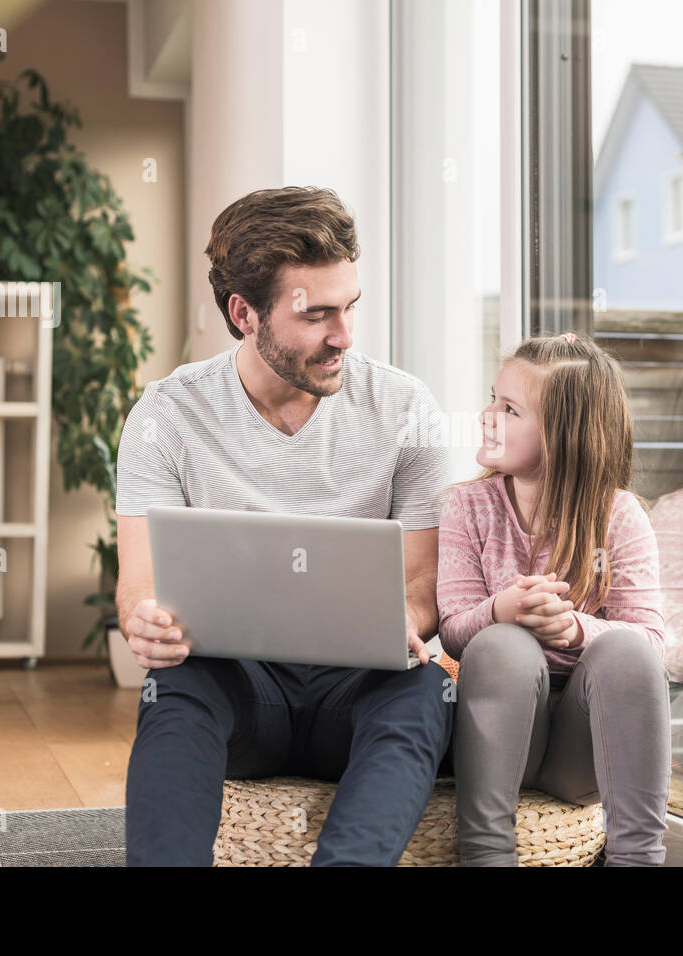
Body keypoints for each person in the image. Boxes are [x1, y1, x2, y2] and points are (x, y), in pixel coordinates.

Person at [115, 186, 454, 866]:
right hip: (238, 693)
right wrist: (146, 621)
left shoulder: (406, 408)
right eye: (318, 314)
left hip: (355, 691)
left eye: (350, 308)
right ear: (244, 313)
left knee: (426, 685)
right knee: (174, 683)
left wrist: (405, 620)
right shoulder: (167, 416)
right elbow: (139, 588)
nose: (344, 336)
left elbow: (422, 588)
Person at [436, 332, 671, 866]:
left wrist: (575, 630)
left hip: (580, 751)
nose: (486, 415)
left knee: (628, 651)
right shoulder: (467, 507)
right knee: (500, 644)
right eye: (492, 398)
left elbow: (654, 643)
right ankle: (487, 854)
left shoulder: (620, 515)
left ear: (566, 435)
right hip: (498, 737)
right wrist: (503, 611)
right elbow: (451, 627)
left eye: (509, 408)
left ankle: (637, 857)